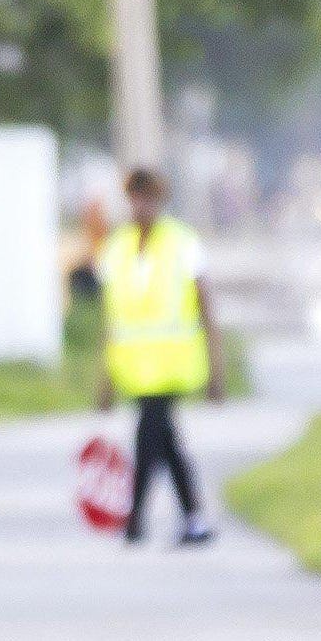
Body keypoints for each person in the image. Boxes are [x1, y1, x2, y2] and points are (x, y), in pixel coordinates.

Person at [93, 168, 225, 545]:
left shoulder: (182, 243)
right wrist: (103, 380)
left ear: (160, 201)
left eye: (148, 198)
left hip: (172, 366)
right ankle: (193, 518)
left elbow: (206, 310)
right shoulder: (117, 247)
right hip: (134, 369)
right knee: (164, 441)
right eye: (135, 198)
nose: (141, 206)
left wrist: (217, 371)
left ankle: (136, 517)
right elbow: (111, 318)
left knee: (147, 435)